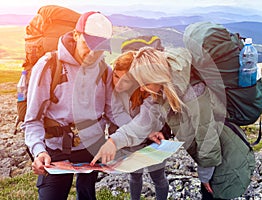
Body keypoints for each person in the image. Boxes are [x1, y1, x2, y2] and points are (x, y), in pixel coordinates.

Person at [91, 47, 224, 199]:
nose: (141, 88)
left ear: (156, 77)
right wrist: (114, 141)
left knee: (207, 191)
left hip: (221, 155)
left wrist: (205, 175)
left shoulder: (193, 92)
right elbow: (144, 122)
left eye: (145, 83)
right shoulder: (160, 91)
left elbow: (207, 134)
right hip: (209, 157)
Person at [22, 11, 113, 200]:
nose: (94, 53)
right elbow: (33, 120)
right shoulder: (49, 65)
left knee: (87, 194)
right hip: (55, 149)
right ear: (75, 35)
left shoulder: (105, 71)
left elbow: (113, 112)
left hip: (90, 147)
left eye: (100, 48)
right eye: (88, 45)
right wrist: (39, 151)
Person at [103, 51, 169, 200]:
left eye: (125, 80)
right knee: (135, 175)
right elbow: (117, 113)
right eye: (116, 76)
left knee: (158, 176)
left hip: (153, 140)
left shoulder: (148, 91)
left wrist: (143, 132)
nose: (118, 83)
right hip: (132, 140)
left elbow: (147, 118)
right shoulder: (113, 91)